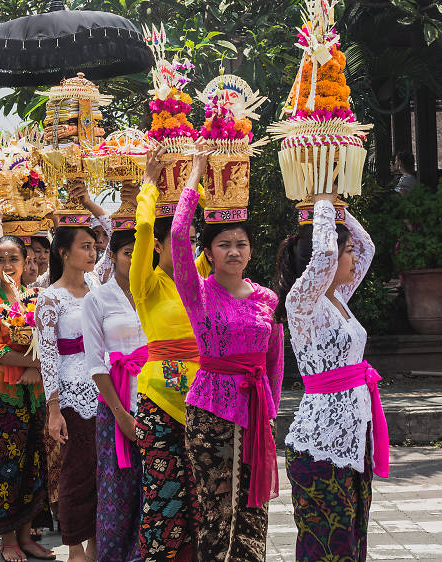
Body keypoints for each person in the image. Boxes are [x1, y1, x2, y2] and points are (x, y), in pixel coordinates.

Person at [171, 151, 284, 561]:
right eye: (224, 245)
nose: (234, 251)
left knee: (254, 511)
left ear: (251, 251)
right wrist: (196, 177)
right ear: (211, 253)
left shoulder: (267, 298)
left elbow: (274, 357)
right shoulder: (198, 292)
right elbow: (179, 236)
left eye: (241, 244)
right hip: (210, 411)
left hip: (256, 412)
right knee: (218, 513)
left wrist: (270, 408)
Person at [274, 189, 384, 561]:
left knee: (352, 543)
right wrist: (320, 202)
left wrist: (340, 206)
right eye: (346, 250)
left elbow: (367, 247)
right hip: (318, 445)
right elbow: (323, 255)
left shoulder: (339, 299)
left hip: (355, 438)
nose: (354, 256)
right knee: (327, 549)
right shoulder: (303, 303)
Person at [129, 147, 209, 561]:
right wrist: (150, 183)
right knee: (163, 498)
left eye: (194, 242)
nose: (188, 247)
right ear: (161, 248)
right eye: (181, 241)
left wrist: (215, 177)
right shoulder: (147, 284)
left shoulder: (201, 278)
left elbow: (216, 241)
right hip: (159, 400)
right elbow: (144, 231)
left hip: (204, 398)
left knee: (204, 496)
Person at [0, 235, 55, 562]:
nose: (8, 265)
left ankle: (27, 535)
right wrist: (38, 362)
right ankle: (8, 539)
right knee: (7, 465)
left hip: (36, 394)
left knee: (35, 463)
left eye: (14, 258)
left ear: (27, 263)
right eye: (1, 259)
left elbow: (51, 336)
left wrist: (41, 364)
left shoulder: (37, 297)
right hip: (3, 395)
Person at [36, 221, 100, 562]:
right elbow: (48, 356)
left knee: (104, 469)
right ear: (64, 253)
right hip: (72, 393)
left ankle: (96, 546)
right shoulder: (49, 298)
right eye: (85, 247)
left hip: (106, 388)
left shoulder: (97, 285)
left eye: (93, 247)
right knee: (75, 471)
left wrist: (89, 204)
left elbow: (119, 235)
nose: (92, 252)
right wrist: (54, 409)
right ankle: (75, 548)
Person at [82, 228, 146, 562]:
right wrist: (121, 415)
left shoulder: (158, 292)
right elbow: (95, 364)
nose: (135, 258)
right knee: (116, 489)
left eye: (142, 251)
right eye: (128, 252)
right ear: (115, 256)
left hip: (155, 399)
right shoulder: (98, 299)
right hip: (115, 403)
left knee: (153, 486)